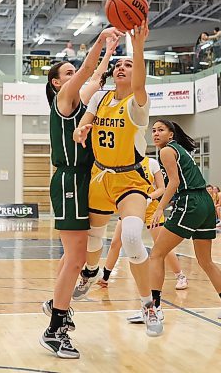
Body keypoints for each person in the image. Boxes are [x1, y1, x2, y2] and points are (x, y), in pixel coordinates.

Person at [72, 21, 163, 337]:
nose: (123, 68)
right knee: (93, 239)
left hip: (130, 179)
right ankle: (91, 271)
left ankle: (148, 304)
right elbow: (84, 121)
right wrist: (81, 129)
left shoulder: (138, 104)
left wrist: (138, 46)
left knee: (133, 237)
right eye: (119, 65)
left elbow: (140, 82)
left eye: (129, 65)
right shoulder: (101, 99)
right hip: (100, 175)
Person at [40, 27, 123, 359]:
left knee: (71, 257)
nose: (76, 75)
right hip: (69, 182)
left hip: (84, 180)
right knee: (75, 259)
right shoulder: (64, 101)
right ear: (58, 83)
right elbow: (89, 72)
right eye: (68, 73)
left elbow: (95, 76)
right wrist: (102, 42)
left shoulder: (82, 106)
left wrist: (108, 53)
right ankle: (54, 330)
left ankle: (55, 304)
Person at [148, 119, 221, 336]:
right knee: (205, 260)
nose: (156, 133)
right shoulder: (180, 149)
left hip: (190, 202)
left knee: (156, 254)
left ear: (171, 134)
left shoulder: (167, 151)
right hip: (205, 203)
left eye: (160, 130)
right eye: (153, 131)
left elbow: (174, 183)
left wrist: (160, 208)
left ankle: (156, 308)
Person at [96, 156, 188, 291]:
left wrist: (149, 197)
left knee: (162, 245)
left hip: (151, 209)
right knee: (116, 242)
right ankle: (105, 277)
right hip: (131, 208)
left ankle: (180, 276)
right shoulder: (124, 161)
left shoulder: (151, 163)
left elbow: (162, 188)